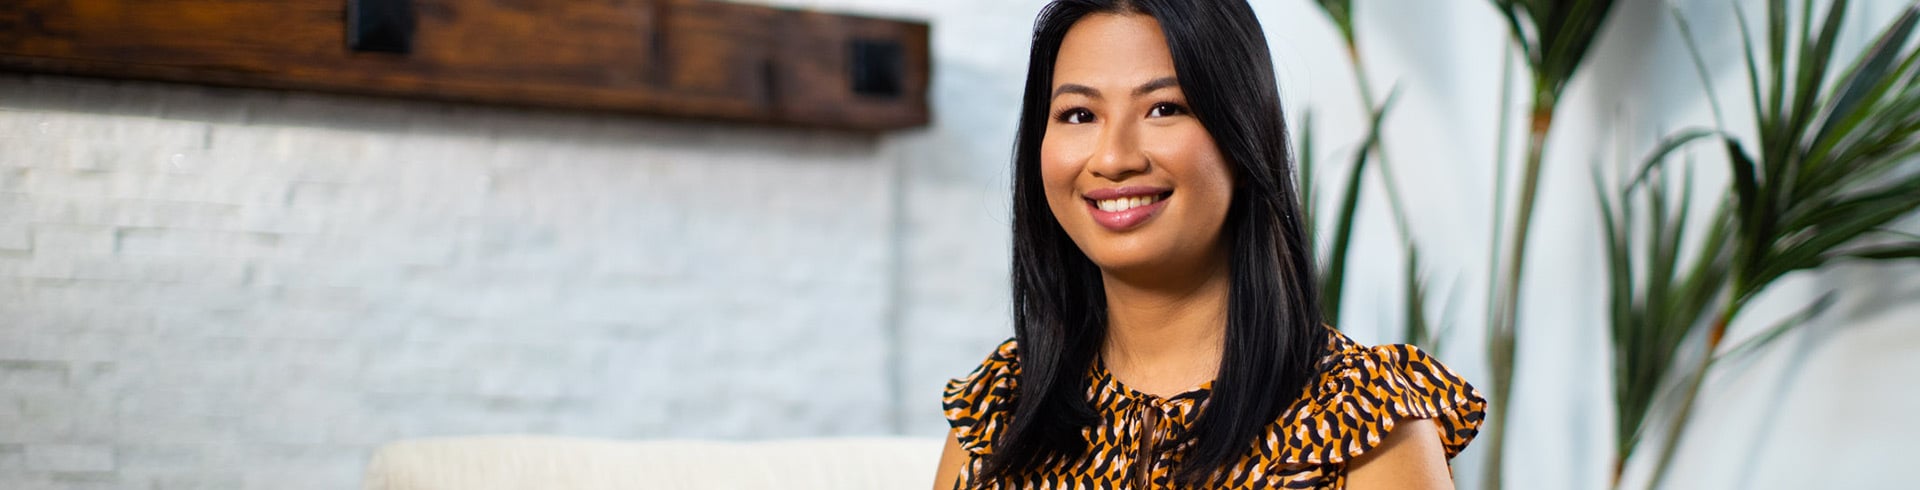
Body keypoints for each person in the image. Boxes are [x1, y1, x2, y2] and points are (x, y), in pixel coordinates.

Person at [930, 1, 1486, 488]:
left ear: (1243, 139)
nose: (1114, 157)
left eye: (1165, 108)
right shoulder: (1000, 410)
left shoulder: (1364, 420)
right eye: (1079, 114)